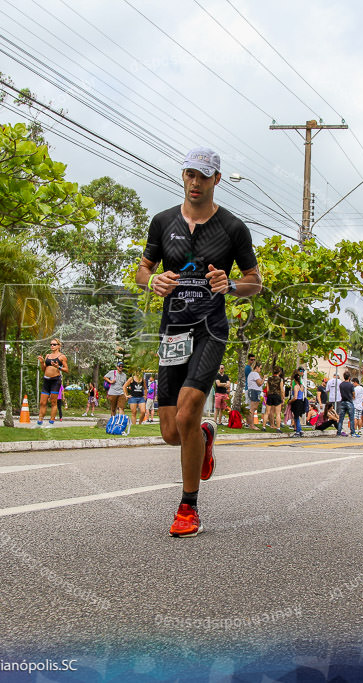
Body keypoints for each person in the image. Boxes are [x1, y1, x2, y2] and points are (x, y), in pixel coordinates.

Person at [136, 146, 261, 538]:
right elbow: (144, 269)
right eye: (190, 174)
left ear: (216, 180)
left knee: (189, 413)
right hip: (173, 331)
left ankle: (188, 508)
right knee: (172, 432)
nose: (195, 182)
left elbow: (253, 282)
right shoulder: (162, 222)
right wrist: (151, 281)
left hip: (211, 329)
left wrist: (231, 285)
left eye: (203, 176)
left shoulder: (233, 228)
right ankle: (205, 437)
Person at [35, 338, 68, 426]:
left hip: (55, 381)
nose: (52, 346)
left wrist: (58, 367)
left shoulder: (62, 357)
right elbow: (43, 369)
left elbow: (67, 370)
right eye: (51, 344)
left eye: (54, 344)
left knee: (53, 402)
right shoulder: (47, 356)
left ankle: (51, 422)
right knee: (42, 402)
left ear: (59, 346)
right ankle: (39, 422)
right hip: (46, 380)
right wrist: (42, 363)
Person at [336, 371, 360, 437]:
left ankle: (338, 432)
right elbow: (353, 393)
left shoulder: (341, 384)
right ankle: (352, 432)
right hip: (349, 402)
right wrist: (353, 397)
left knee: (341, 419)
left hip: (342, 402)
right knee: (351, 418)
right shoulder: (351, 385)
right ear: (349, 377)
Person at [289, 371, 308, 436]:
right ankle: (300, 430)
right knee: (297, 417)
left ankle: (298, 431)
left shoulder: (296, 387)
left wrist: (290, 401)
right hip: (301, 402)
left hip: (296, 402)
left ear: (294, 380)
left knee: (296, 417)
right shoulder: (302, 386)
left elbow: (295, 397)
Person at [264, 367, 283, 431]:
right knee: (277, 413)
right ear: (279, 372)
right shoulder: (280, 379)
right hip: (277, 395)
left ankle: (264, 426)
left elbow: (267, 389)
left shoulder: (269, 379)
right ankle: (278, 427)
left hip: (270, 395)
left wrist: (268, 394)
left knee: (267, 412)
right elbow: (282, 390)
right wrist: (282, 397)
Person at [245, 362, 263, 429]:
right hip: (254, 391)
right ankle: (252, 425)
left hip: (254, 391)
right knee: (252, 409)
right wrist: (264, 378)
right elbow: (259, 383)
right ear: (257, 367)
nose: (260, 370)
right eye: (260, 368)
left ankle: (250, 424)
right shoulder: (255, 374)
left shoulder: (252, 374)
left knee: (253, 408)